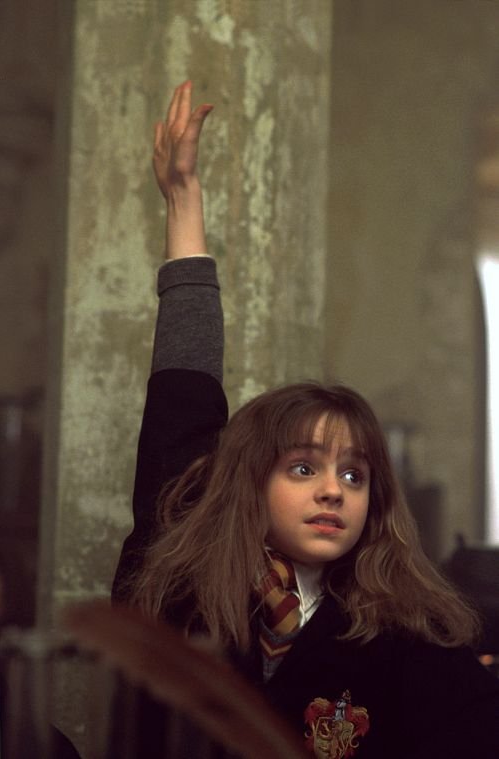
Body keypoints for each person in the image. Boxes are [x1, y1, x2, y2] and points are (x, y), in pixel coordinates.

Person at [112, 81, 499, 759]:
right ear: (250, 482)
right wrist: (183, 200)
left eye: (354, 475)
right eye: (302, 467)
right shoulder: (180, 578)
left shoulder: (403, 629)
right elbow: (185, 385)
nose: (333, 491)